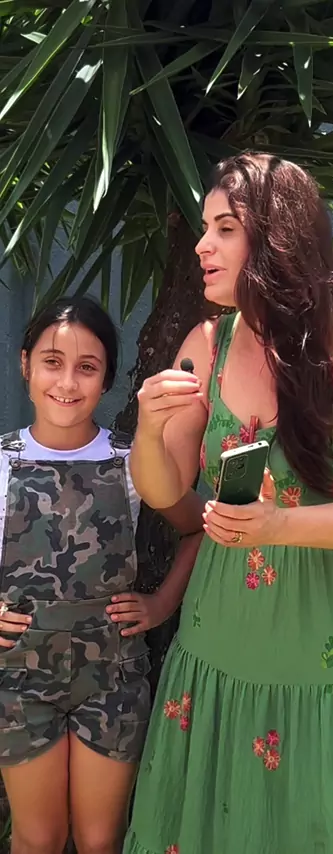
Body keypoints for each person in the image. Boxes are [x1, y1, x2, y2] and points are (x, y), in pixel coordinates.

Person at [124, 153, 333, 854]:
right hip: (223, 634)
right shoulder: (206, 344)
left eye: (225, 228)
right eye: (205, 228)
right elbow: (165, 490)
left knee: (328, 818)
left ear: (279, 238)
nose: (202, 246)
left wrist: (280, 523)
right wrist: (149, 430)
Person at [0, 297, 203, 854]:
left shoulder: (132, 462)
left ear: (108, 379)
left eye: (87, 367)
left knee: (99, 839)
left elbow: (198, 528)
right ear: (25, 364)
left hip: (112, 678)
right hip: (18, 680)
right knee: (37, 837)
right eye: (52, 361)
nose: (67, 382)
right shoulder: (3, 462)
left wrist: (161, 604)